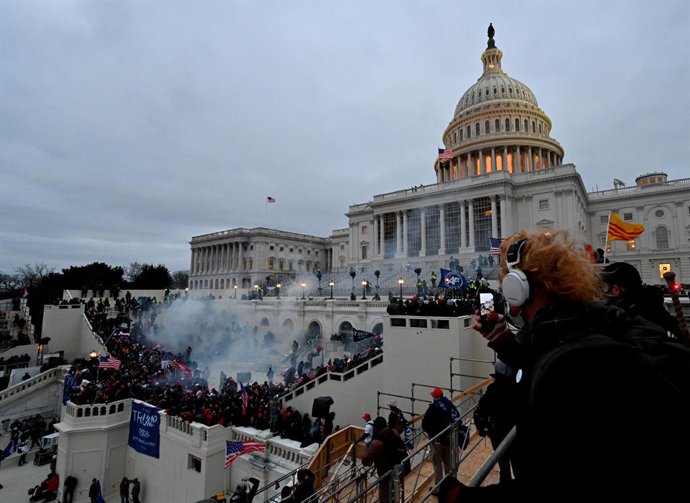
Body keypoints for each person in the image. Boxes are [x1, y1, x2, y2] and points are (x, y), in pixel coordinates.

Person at [446, 229, 689, 501]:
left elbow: (557, 484)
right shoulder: (604, 320)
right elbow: (556, 353)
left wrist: (460, 497)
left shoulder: (569, 369)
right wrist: (507, 345)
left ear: (517, 287)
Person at [601, 261, 680, 337]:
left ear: (616, 290)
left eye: (603, 287)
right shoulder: (654, 309)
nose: (601, 292)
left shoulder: (625, 323)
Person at [421, 388, 461, 492]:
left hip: (436, 441)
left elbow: (424, 425)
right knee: (448, 463)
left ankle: (439, 488)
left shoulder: (433, 408)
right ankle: (451, 486)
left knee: (437, 464)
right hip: (449, 439)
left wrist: (431, 432)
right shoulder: (449, 404)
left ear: (434, 397)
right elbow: (457, 417)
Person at [362, 416, 408, 503]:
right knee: (397, 497)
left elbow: (365, 461)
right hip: (399, 475)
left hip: (385, 478)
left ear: (375, 428)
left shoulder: (377, 442)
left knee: (386, 498)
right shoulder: (395, 434)